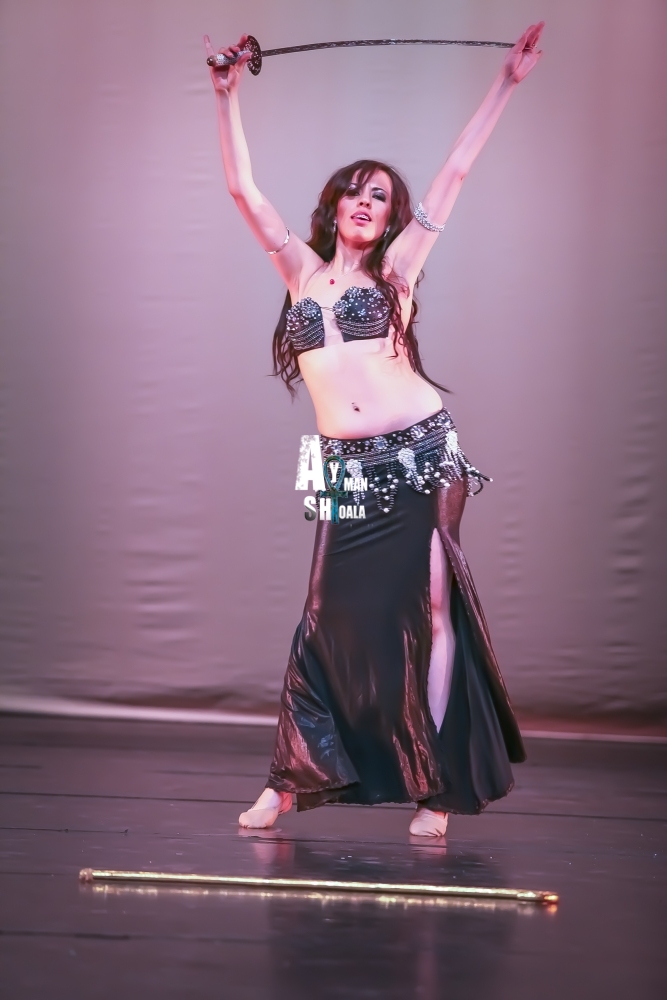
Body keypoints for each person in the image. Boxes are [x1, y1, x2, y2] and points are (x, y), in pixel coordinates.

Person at [204, 24, 543, 836]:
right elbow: (242, 191)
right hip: (338, 464)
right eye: (353, 191)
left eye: (379, 195)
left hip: (422, 453)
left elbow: (455, 171)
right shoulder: (298, 271)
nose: (364, 202)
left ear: (390, 216)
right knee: (324, 614)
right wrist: (226, 97)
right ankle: (287, 782)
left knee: (430, 612)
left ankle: (436, 789)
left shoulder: (398, 270)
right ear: (333, 207)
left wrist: (505, 83)